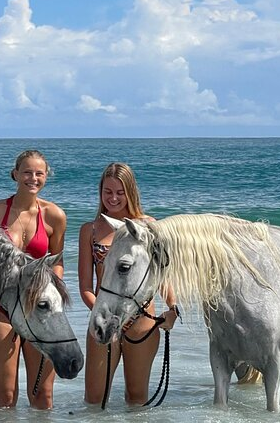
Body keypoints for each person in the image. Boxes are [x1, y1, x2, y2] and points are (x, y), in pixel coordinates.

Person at [78, 162, 179, 405]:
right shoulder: (89, 231)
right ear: (100, 192)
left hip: (142, 322)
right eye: (107, 191)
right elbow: (86, 288)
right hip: (104, 318)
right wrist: (105, 315)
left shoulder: (150, 227)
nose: (113, 198)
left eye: (120, 192)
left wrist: (173, 309)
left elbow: (162, 276)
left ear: (131, 192)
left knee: (137, 398)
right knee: (94, 399)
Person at [0, 149, 67, 409]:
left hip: (40, 311)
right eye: (27, 172)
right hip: (0, 309)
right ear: (15, 174)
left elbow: (58, 262)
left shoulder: (55, 216)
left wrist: (47, 290)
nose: (33, 178)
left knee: (43, 396)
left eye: (39, 173)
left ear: (46, 177)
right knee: (5, 397)